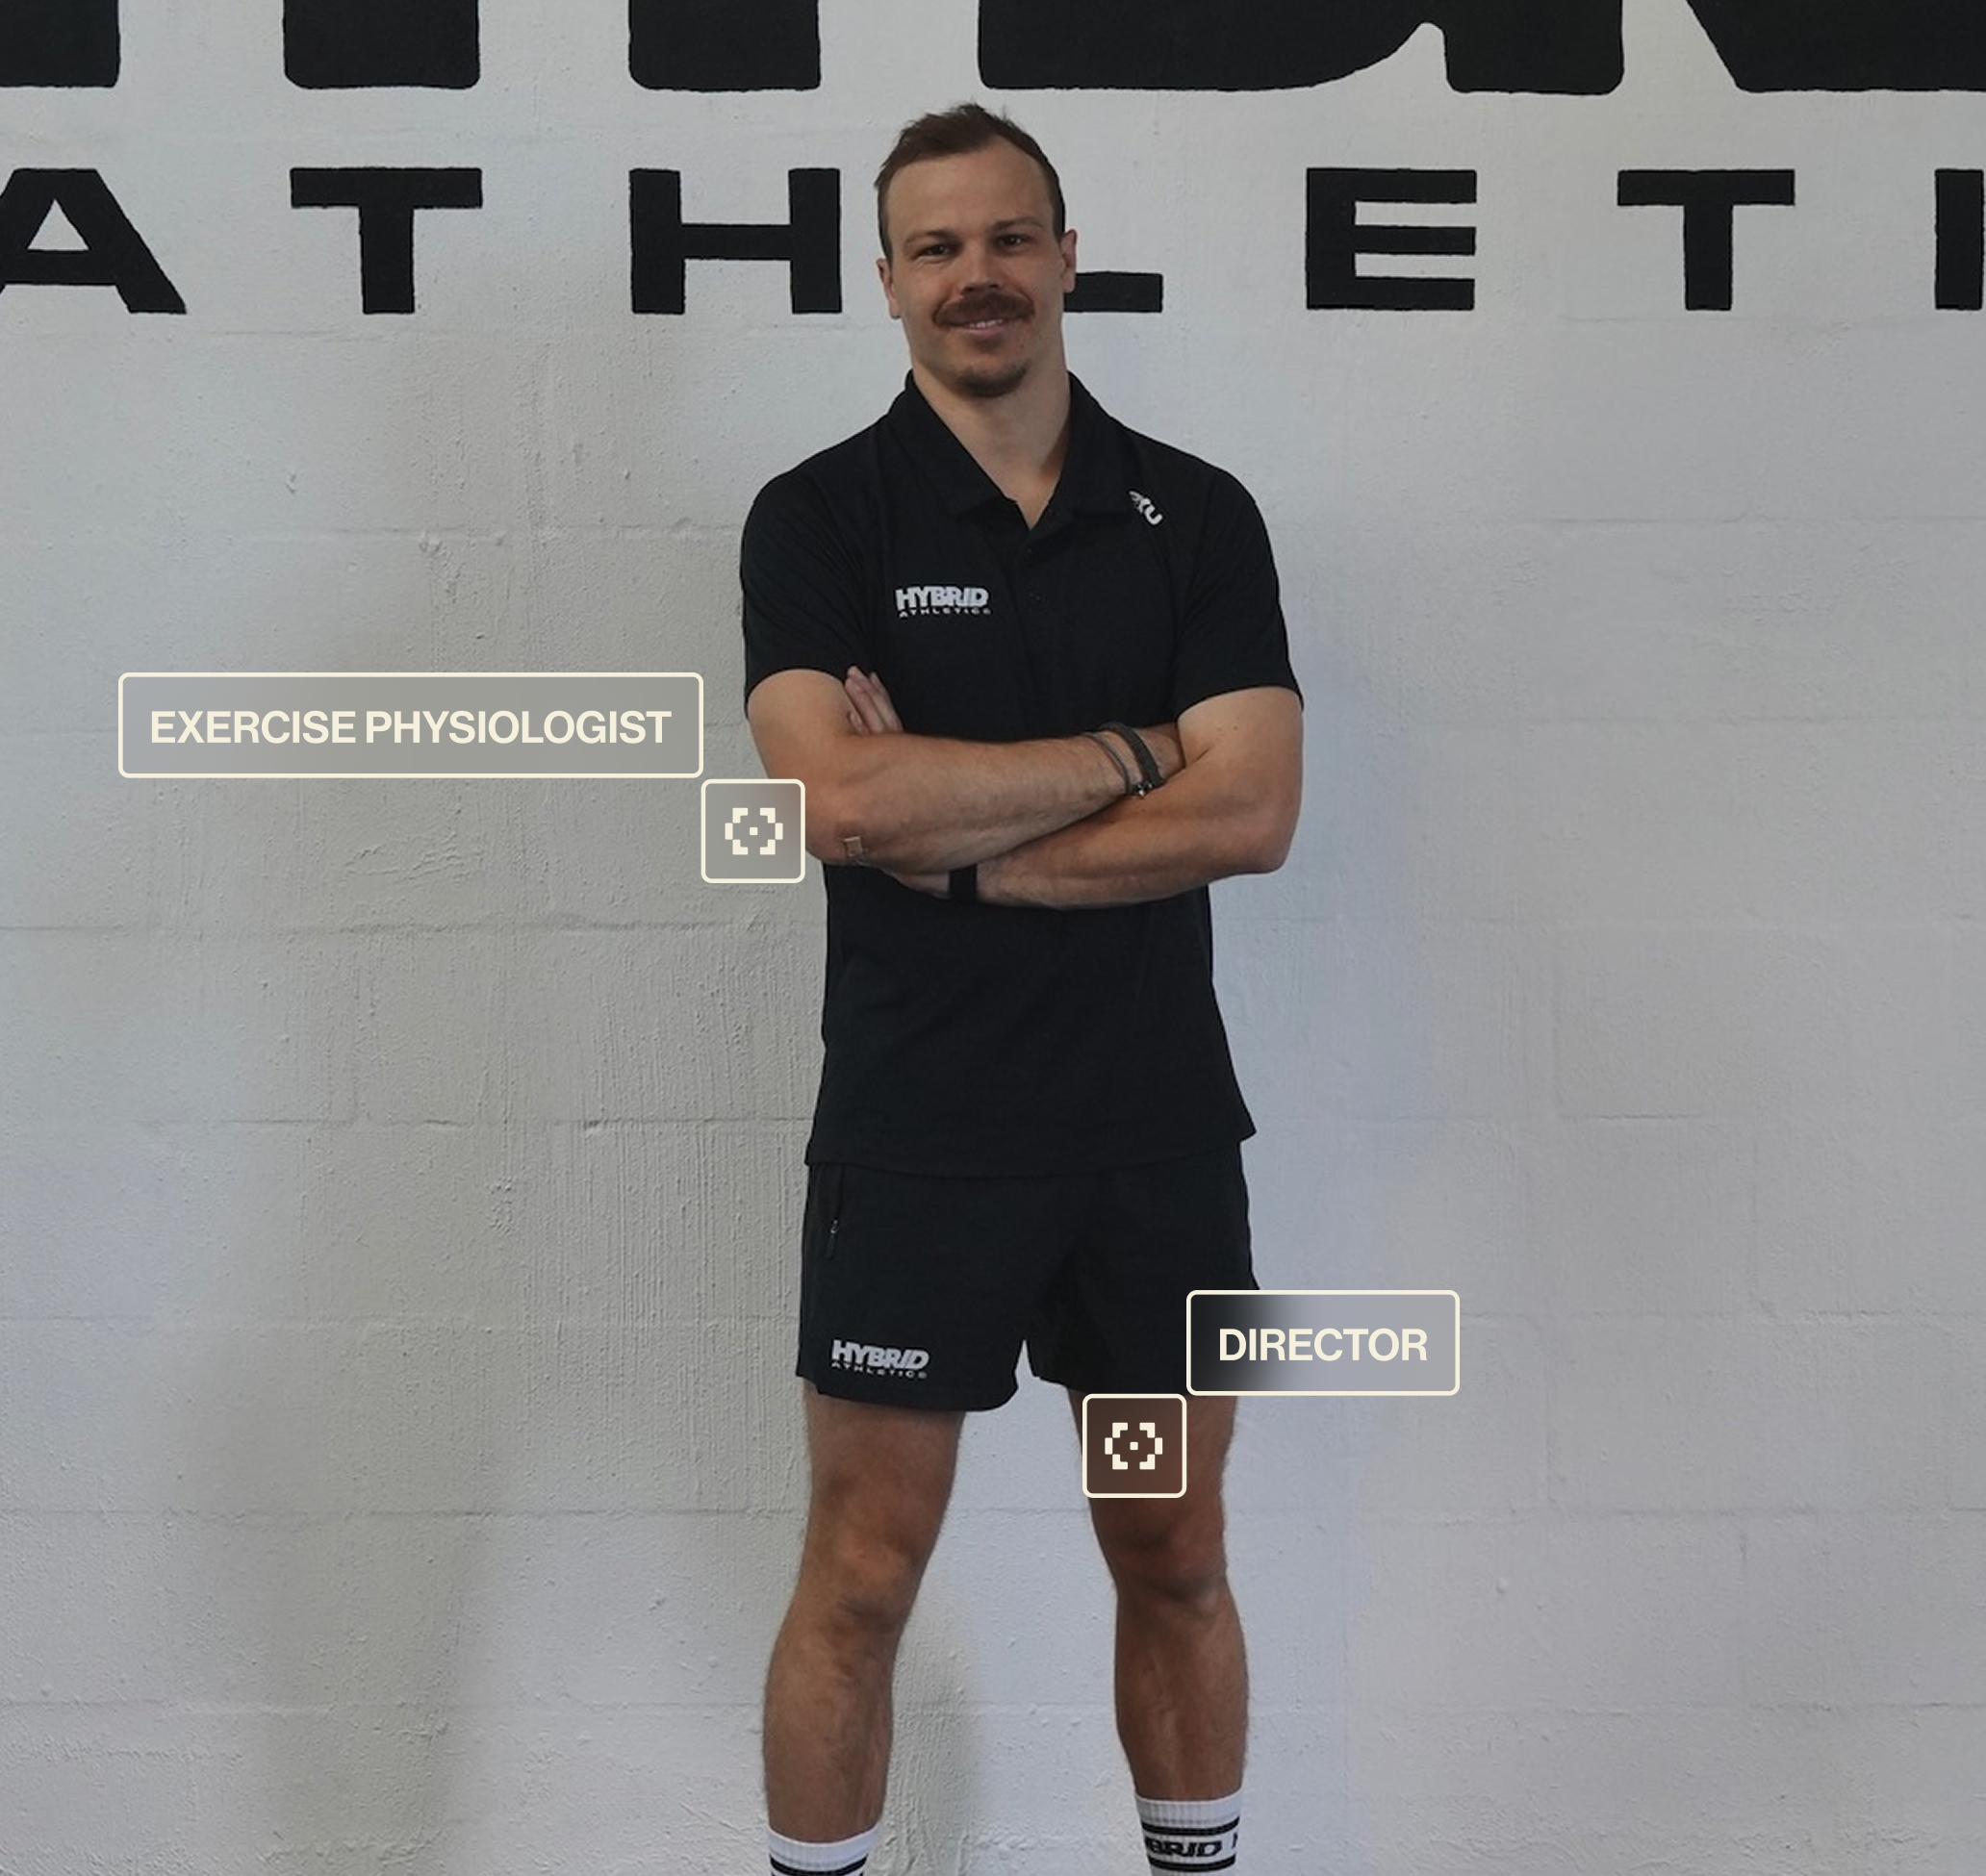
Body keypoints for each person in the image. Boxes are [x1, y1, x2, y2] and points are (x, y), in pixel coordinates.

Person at [740, 102, 1303, 1876]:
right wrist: (1139, 753)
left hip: (1152, 1157)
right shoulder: (819, 517)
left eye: (1005, 238)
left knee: (1172, 1548)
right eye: (936, 247)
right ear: (888, 281)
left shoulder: (1194, 515)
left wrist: (968, 843)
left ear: (1065, 256)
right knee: (864, 1572)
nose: (973, 275)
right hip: (921, 1151)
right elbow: (840, 802)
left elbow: (1254, 811)